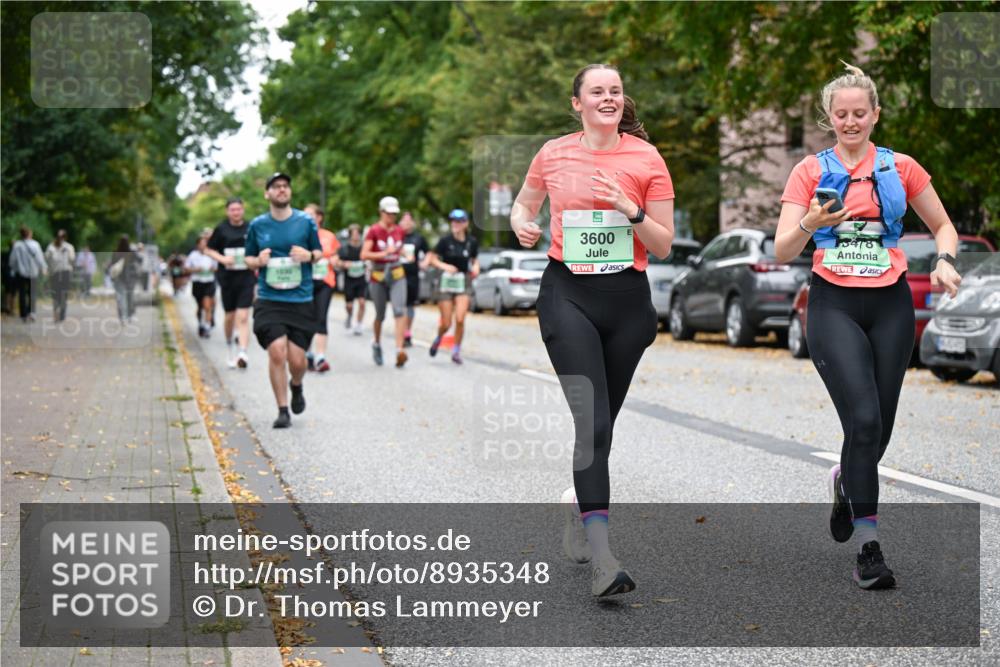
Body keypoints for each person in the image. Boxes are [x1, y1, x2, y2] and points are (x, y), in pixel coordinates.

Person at [775, 63, 963, 591]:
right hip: (833, 303)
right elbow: (783, 246)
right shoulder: (809, 172)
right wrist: (814, 222)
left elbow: (942, 225)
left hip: (891, 305)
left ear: (875, 114)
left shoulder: (901, 168)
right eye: (842, 114)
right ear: (829, 118)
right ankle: (869, 547)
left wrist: (946, 259)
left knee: (876, 427)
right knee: (861, 418)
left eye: (861, 113)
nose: (851, 121)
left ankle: (844, 481)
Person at [510, 64, 675, 597]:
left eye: (615, 91)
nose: (608, 97)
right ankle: (604, 559)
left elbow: (665, 243)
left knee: (601, 431)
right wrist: (521, 222)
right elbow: (524, 204)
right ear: (576, 103)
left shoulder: (646, 158)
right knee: (594, 425)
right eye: (596, 91)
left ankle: (577, 507)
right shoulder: (554, 152)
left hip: (627, 302)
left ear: (623, 101)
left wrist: (631, 211)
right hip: (568, 295)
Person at [243, 172, 323, 429]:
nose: (281, 190)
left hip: (300, 299)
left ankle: (296, 385)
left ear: (290, 192)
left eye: (285, 186)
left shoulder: (305, 221)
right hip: (270, 298)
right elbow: (248, 259)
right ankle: (282, 409)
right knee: (277, 352)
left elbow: (319, 253)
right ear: (267, 193)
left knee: (298, 362)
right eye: (276, 187)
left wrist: (308, 255)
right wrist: (259, 261)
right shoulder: (257, 225)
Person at [205, 197, 255, 368]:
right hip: (227, 278)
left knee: (243, 316)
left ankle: (243, 352)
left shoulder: (251, 227)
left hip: (246, 276)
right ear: (228, 211)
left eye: (238, 209)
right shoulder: (221, 229)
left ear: (243, 210)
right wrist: (223, 259)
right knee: (230, 316)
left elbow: (258, 247)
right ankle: (229, 345)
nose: (236, 212)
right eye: (232, 210)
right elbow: (208, 250)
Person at [427, 209, 480, 365]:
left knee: (460, 318)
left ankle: (456, 350)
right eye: (453, 221)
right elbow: (432, 259)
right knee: (446, 323)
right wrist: (445, 266)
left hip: (463, 281)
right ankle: (439, 337)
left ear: (465, 224)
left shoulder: (471, 242)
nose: (455, 224)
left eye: (458, 221)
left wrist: (476, 267)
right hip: (446, 281)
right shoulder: (445, 241)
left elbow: (475, 260)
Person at [361, 196, 409, 368]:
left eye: (394, 214)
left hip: (397, 274)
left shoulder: (399, 230)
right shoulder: (373, 231)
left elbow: (400, 247)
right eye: (389, 214)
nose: (392, 217)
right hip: (378, 275)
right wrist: (383, 254)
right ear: (381, 212)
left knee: (399, 310)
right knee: (380, 315)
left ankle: (399, 350)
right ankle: (376, 343)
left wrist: (405, 253)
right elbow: (364, 254)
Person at [303, 204, 340, 373]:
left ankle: (320, 357)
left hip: (325, 281)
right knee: (306, 318)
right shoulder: (300, 236)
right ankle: (308, 353)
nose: (308, 218)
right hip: (305, 282)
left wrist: (335, 261)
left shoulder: (329, 236)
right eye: (305, 215)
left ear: (319, 217)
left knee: (321, 317)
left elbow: (336, 256)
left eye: (311, 215)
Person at [399, 211, 430, 347]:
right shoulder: (396, 236)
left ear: (412, 223)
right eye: (404, 221)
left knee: (410, 305)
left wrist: (425, 263)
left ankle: (407, 332)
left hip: (412, 275)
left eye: (408, 221)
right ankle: (401, 331)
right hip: (398, 275)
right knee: (401, 305)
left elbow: (429, 252)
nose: (406, 223)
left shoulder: (418, 238)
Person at [9, 226, 48, 322]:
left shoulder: (17, 245)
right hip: (33, 272)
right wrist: (43, 267)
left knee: (22, 293)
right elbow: (39, 258)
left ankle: (23, 315)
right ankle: (32, 313)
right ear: (29, 234)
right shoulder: (35, 244)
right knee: (32, 293)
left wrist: (14, 269)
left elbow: (12, 260)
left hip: (21, 273)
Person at [184, 233, 218, 338]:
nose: (204, 245)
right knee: (200, 306)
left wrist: (213, 268)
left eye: (206, 243)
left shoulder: (212, 254)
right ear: (198, 245)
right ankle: (201, 324)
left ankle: (207, 327)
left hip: (209, 281)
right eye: (202, 243)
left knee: (207, 305)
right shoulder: (193, 255)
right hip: (197, 282)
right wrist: (196, 269)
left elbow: (217, 267)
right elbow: (186, 268)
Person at [338, 224, 367, 335]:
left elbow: (369, 259)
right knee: (349, 305)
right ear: (350, 235)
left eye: (357, 233)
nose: (356, 236)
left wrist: (367, 264)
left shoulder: (364, 248)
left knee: (362, 302)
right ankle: (349, 315)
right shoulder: (345, 248)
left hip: (361, 279)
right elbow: (338, 262)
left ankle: (359, 324)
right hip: (349, 279)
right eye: (353, 234)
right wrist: (344, 264)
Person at [109, 234, 142, 322]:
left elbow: (112, 266)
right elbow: (140, 260)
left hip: (119, 278)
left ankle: (122, 316)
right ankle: (129, 315)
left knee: (121, 298)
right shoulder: (132, 252)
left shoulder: (116, 252)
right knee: (129, 297)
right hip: (130, 278)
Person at [44, 229, 75, 322]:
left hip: (65, 272)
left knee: (63, 294)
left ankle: (62, 313)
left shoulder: (69, 247)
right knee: (56, 294)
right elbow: (46, 258)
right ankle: (57, 312)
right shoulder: (51, 247)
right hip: (55, 273)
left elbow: (72, 258)